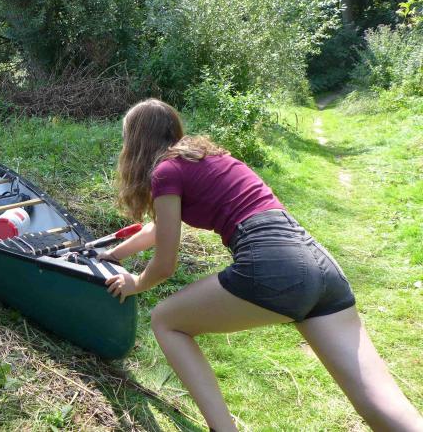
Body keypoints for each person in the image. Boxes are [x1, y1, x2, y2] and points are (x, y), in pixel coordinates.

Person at [98, 99, 423, 432]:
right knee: (383, 403)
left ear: (135, 142)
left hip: (275, 265)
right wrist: (114, 255)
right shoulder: (205, 157)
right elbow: (159, 229)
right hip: (322, 267)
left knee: (166, 320)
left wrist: (136, 283)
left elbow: (165, 265)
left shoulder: (166, 171)